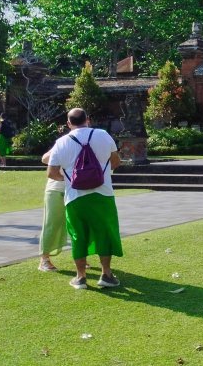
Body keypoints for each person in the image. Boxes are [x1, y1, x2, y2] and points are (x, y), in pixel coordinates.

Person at [45, 108, 122, 289]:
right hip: (103, 193)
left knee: (78, 235)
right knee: (104, 232)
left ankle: (80, 277)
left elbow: (51, 172)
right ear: (88, 119)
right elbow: (116, 161)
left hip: (75, 197)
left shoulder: (61, 142)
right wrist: (103, 174)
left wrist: (72, 180)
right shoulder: (103, 135)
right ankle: (106, 274)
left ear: (68, 123)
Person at [38, 145, 67, 271]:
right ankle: (44, 259)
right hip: (56, 189)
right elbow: (44, 158)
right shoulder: (64, 142)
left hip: (77, 189)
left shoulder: (90, 141)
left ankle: (82, 257)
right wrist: (62, 150)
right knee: (51, 224)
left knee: (78, 225)